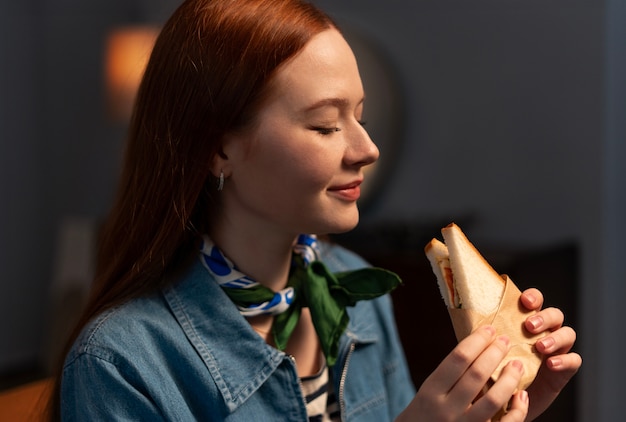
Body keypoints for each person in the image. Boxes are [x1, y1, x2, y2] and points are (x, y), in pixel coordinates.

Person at [49, 0, 581, 420]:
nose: (367, 149)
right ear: (218, 149)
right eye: (326, 125)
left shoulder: (356, 288)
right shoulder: (119, 365)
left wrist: (497, 410)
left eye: (361, 116)